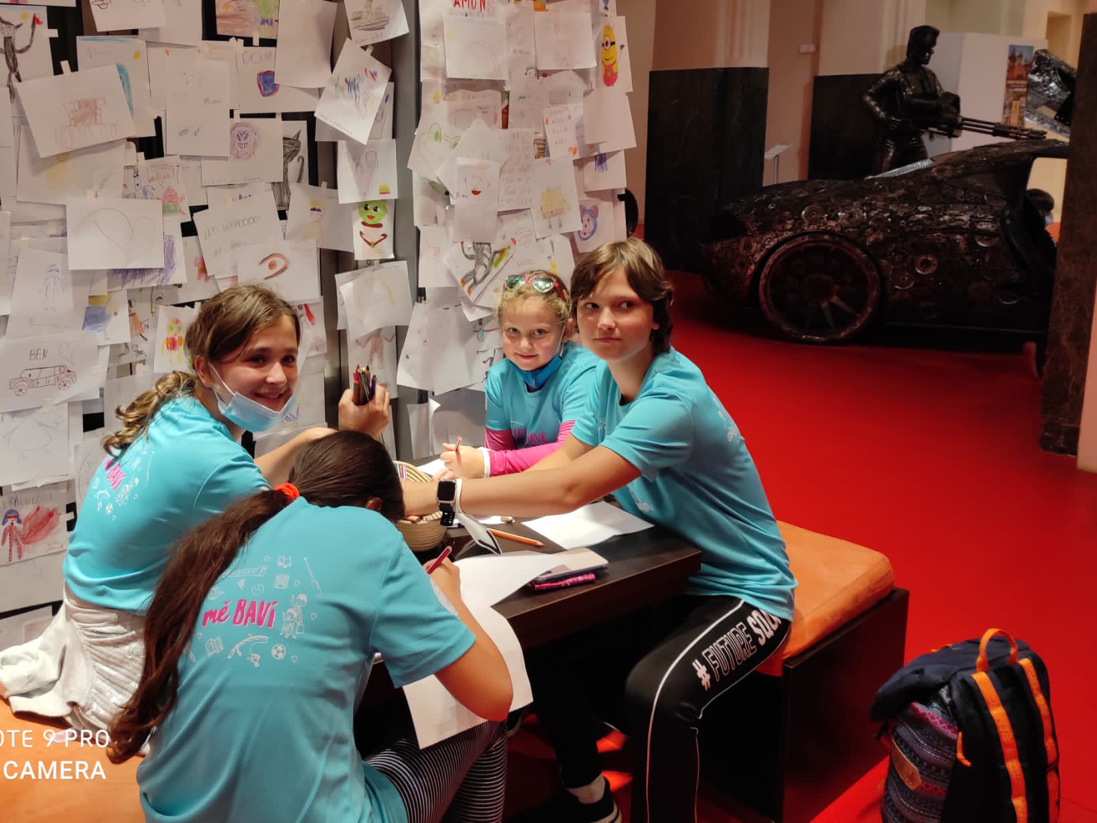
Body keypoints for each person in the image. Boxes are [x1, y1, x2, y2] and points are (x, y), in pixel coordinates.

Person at [409, 238, 797, 823]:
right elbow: (563, 464)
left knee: (655, 695)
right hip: (667, 572)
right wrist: (473, 510)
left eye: (624, 306)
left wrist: (445, 493)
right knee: (541, 637)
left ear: (658, 314)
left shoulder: (673, 397)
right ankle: (590, 800)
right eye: (591, 306)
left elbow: (571, 488)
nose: (604, 321)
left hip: (744, 590)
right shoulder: (604, 379)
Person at [0, 285, 390, 731]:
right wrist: (360, 442)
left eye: (289, 358)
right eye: (257, 359)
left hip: (93, 614)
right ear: (205, 368)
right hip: (121, 652)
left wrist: (308, 441)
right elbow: (308, 546)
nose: (278, 377)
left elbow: (227, 484)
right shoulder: (215, 465)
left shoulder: (176, 408)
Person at [108, 431, 513, 823]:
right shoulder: (368, 530)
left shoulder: (224, 535)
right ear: (375, 508)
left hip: (169, 812)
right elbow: (494, 696)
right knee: (487, 723)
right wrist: (449, 595)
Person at [438, 269, 601, 479]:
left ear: (566, 331)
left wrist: (487, 464)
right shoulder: (500, 377)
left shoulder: (585, 372)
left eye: (539, 332)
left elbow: (570, 454)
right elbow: (498, 453)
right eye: (513, 331)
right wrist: (470, 471)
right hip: (525, 487)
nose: (524, 345)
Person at [862, 24, 961, 175]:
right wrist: (884, 118)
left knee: (922, 176)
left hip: (915, 137)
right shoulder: (895, 75)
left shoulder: (929, 76)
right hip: (893, 140)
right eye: (926, 48)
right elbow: (868, 96)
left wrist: (951, 114)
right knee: (880, 178)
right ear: (915, 47)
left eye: (931, 49)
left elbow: (941, 101)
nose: (930, 53)